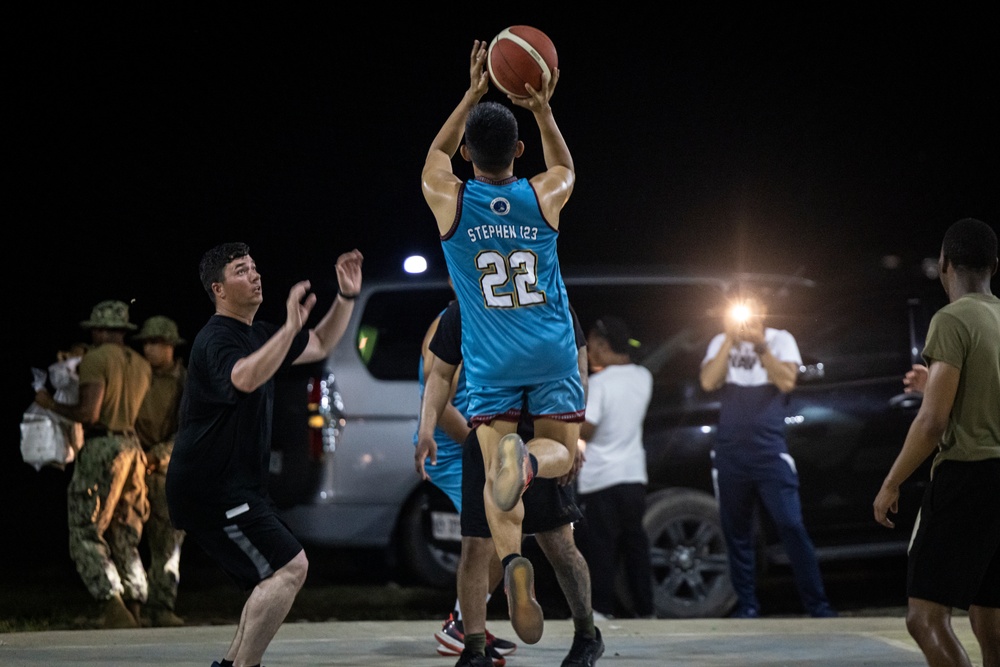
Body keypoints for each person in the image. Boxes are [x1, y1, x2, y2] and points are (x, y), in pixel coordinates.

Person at [421, 39, 583, 645]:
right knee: (560, 456)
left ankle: (513, 562)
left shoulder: (452, 199)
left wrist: (470, 92)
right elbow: (566, 168)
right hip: (549, 349)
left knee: (497, 477)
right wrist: (542, 110)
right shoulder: (542, 196)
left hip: (490, 358)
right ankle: (535, 460)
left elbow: (434, 154)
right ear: (518, 151)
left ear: (468, 153)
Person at [166, 242, 363, 667]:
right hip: (211, 490)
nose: (255, 275)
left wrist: (347, 296)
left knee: (274, 575)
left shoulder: (258, 334)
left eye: (255, 267)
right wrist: (290, 328)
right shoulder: (216, 337)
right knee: (289, 568)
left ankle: (232, 664)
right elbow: (244, 377)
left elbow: (323, 342)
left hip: (236, 488)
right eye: (241, 270)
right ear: (219, 288)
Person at [418, 298, 604, 667]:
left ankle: (580, 633)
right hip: (505, 434)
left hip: (525, 432)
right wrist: (426, 429)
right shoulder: (462, 309)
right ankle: (477, 646)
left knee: (548, 544)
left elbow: (577, 364)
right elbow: (438, 374)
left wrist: (571, 430)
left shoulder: (549, 299)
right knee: (482, 546)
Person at [873, 217, 999, 667]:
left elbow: (931, 423)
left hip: (967, 479)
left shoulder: (951, 319)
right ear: (994, 266)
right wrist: (937, 384)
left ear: (944, 264)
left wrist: (892, 482)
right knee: (991, 614)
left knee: (924, 616)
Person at [699, 292, 837, 619]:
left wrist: (760, 345)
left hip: (769, 450)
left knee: (790, 524)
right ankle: (747, 606)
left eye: (751, 308)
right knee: (737, 532)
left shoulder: (780, 339)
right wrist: (731, 339)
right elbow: (708, 381)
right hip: (731, 451)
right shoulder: (721, 341)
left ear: (764, 311)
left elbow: (787, 381)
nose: (746, 315)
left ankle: (817, 606)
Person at [33, 299, 153, 629]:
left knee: (85, 530)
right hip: (133, 449)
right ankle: (136, 605)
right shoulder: (141, 364)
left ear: (99, 330)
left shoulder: (97, 360)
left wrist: (50, 403)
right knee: (126, 532)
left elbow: (89, 413)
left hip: (104, 447)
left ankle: (111, 603)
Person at [414, 305, 517, 664]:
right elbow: (439, 403)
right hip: (455, 450)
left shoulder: (485, 316)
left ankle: (465, 620)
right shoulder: (453, 321)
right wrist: (479, 447)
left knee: (502, 537)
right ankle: (461, 626)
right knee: (488, 538)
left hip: (474, 446)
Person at [577, 316, 655, 620]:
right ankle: (646, 610)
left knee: (602, 547)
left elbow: (589, 430)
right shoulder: (644, 377)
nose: (590, 352)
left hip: (601, 477)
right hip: (633, 474)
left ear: (602, 344)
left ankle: (602, 610)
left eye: (592, 345)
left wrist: (568, 422)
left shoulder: (599, 384)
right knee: (636, 544)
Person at [132, 315, 188, 627]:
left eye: (157, 343)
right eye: (147, 343)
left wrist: (159, 455)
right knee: (127, 537)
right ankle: (133, 606)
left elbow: (189, 429)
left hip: (167, 469)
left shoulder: (186, 381)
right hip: (133, 466)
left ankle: (162, 605)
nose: (150, 349)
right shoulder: (136, 374)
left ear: (170, 347)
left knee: (168, 541)